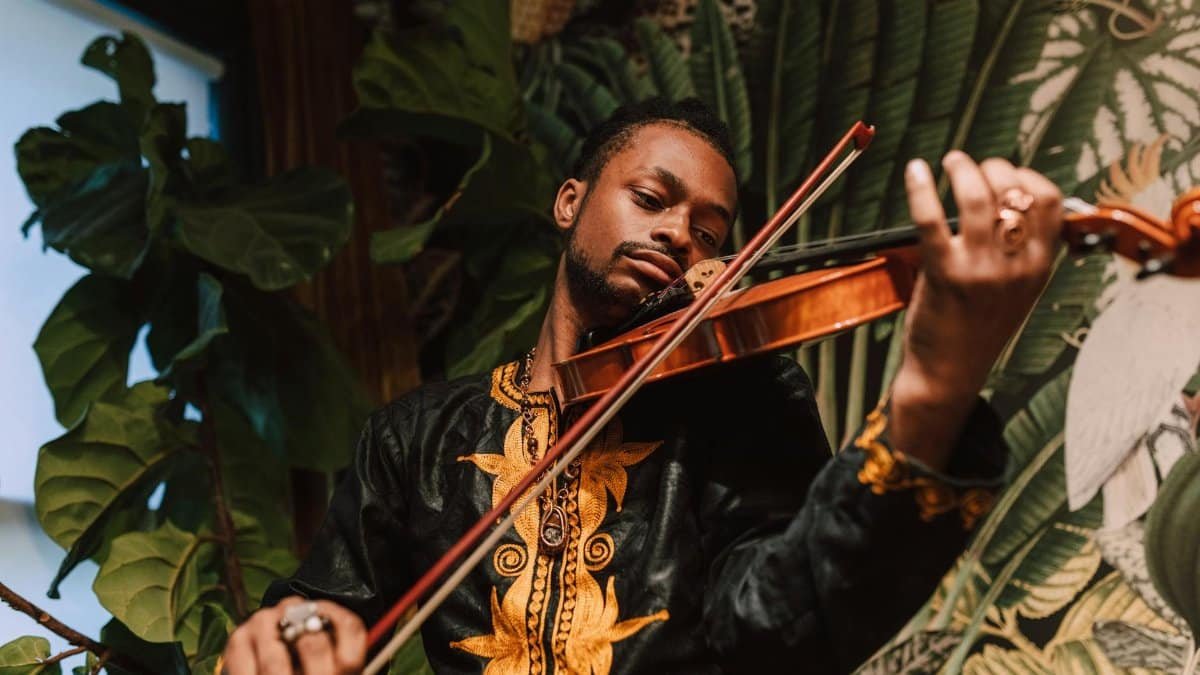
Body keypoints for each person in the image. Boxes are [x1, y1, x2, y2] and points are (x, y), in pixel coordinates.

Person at [219, 98, 1062, 674]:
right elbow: (326, 605)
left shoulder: (740, 407)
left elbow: (788, 628)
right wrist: (292, 632)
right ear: (569, 202)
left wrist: (933, 391)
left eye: (711, 232)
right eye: (652, 198)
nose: (678, 234)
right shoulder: (418, 436)